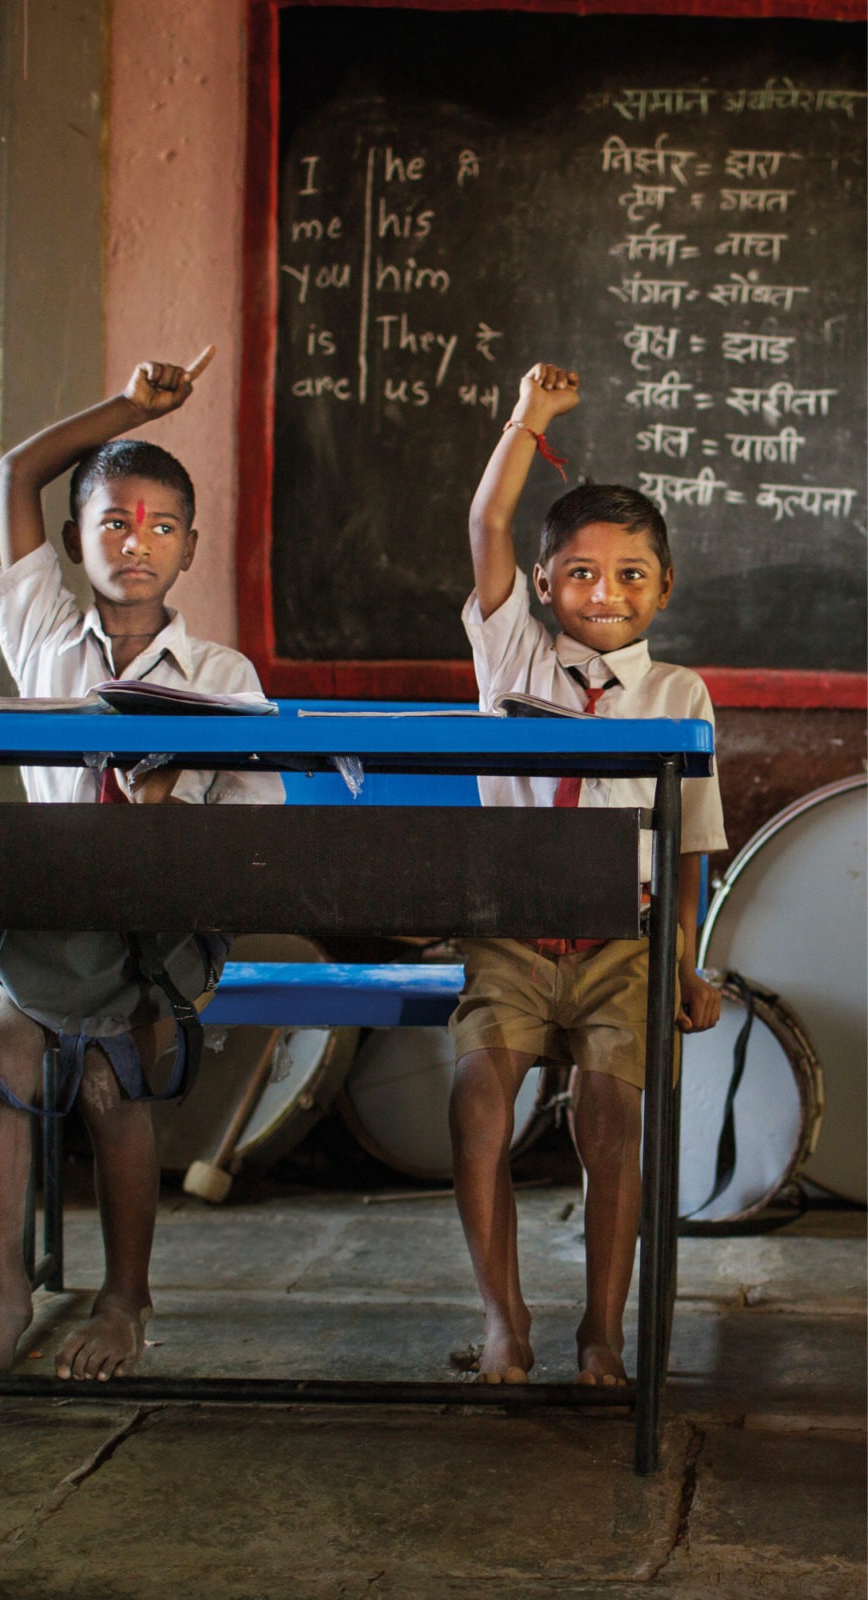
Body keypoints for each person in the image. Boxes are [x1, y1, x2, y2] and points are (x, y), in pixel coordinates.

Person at [0, 346, 282, 1385]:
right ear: (71, 543)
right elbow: (14, 470)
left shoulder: (223, 674)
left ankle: (125, 1296)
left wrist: (166, 806)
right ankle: (6, 1296)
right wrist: (127, 409)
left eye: (162, 527)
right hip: (61, 914)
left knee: (111, 1069)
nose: (137, 543)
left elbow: (253, 827)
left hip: (168, 923)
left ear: (191, 547)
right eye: (113, 523)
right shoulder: (45, 632)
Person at [451, 361, 726, 1388]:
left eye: (629, 576)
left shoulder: (679, 692)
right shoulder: (509, 657)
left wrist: (687, 956)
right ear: (540, 583)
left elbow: (693, 835)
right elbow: (488, 524)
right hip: (513, 933)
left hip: (626, 937)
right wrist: (529, 419)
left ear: (663, 588)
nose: (601, 593)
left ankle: (600, 1330)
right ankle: (502, 1318)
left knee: (614, 1119)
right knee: (479, 1105)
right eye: (578, 572)